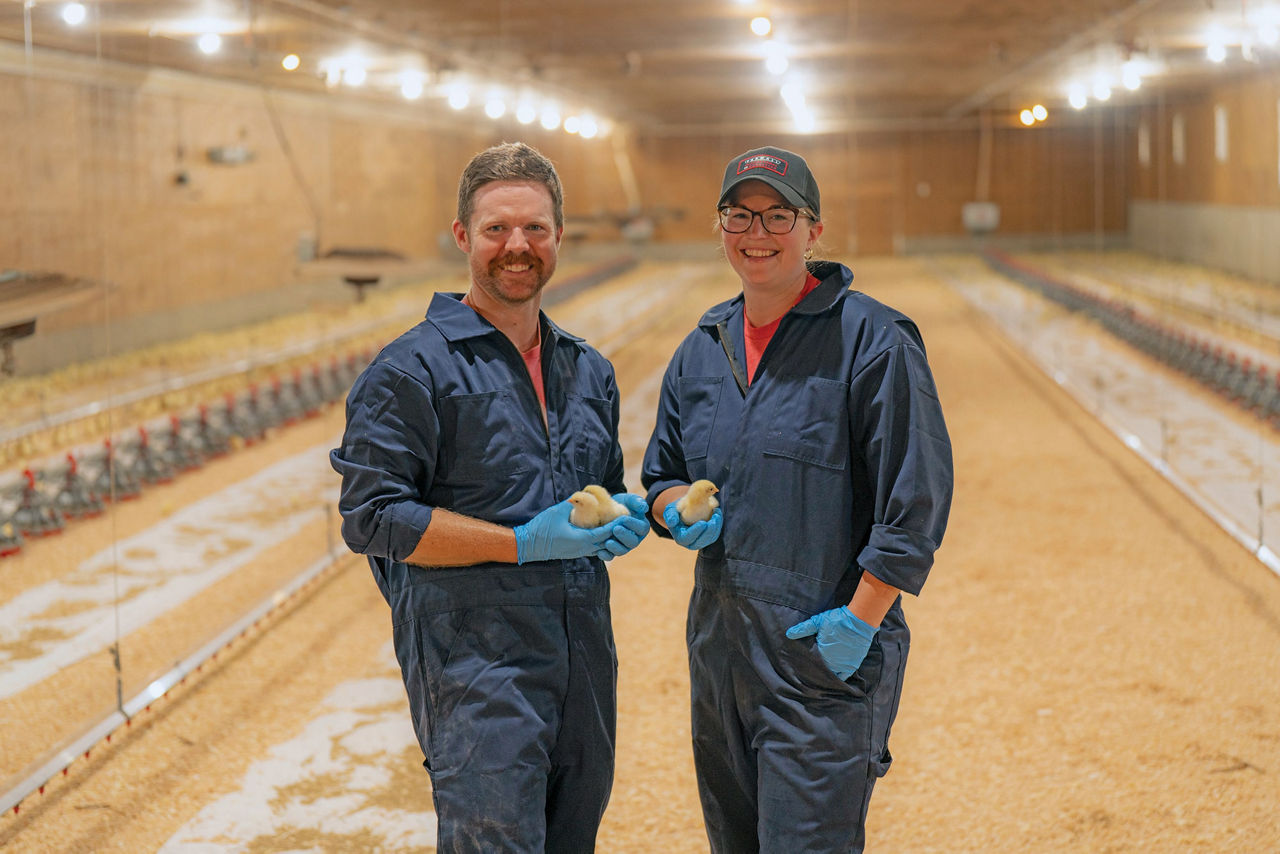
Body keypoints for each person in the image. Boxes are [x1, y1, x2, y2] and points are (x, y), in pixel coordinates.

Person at [330, 141, 650, 853]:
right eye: (497, 228)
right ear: (463, 238)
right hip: (474, 669)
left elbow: (598, 490)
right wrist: (518, 544)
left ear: (559, 237)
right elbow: (372, 518)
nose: (517, 246)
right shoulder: (411, 372)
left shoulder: (587, 370)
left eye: (535, 228)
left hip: (582, 658)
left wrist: (620, 517)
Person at [642, 145, 953, 852]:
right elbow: (661, 470)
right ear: (720, 228)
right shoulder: (702, 349)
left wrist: (864, 618)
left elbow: (918, 496)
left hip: (821, 653)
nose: (758, 232)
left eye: (778, 215)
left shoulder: (872, 339)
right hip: (720, 650)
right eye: (740, 214)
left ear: (813, 230)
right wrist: (672, 512)